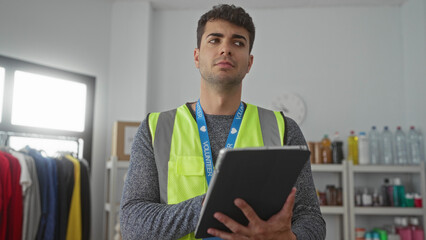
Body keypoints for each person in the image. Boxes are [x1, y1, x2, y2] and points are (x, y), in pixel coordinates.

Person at [120, 4, 326, 240]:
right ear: (197, 56)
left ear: (249, 62)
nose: (226, 49)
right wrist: (208, 206)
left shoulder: (284, 128)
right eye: (214, 40)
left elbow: (311, 218)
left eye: (238, 42)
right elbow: (132, 223)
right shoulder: (155, 129)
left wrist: (290, 238)